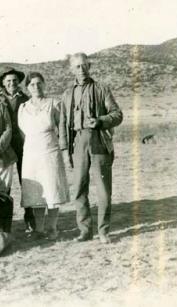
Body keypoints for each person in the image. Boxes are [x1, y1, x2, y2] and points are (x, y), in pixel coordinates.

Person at [59, 53, 123, 244]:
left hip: (98, 141)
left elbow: (117, 114)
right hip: (77, 142)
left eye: (84, 65)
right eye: (77, 66)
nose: (81, 69)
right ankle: (85, 230)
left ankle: (103, 231)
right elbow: (62, 123)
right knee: (79, 188)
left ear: (90, 66)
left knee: (103, 189)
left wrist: (101, 121)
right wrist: (65, 150)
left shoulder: (102, 89)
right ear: (71, 69)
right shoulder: (67, 94)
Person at [18, 72, 69, 240]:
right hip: (31, 154)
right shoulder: (23, 107)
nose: (36, 87)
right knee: (36, 193)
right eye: (32, 84)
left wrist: (64, 149)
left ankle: (52, 228)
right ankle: (39, 229)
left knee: (52, 190)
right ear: (27, 87)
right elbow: (22, 132)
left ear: (44, 84)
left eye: (39, 83)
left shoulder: (54, 103)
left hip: (50, 152)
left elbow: (62, 127)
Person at [0, 66, 34, 232]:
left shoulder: (26, 99)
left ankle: (30, 219)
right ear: (3, 82)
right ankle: (3, 223)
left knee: (27, 183)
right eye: (8, 81)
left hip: (23, 146)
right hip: (4, 147)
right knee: (4, 186)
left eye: (15, 81)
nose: (11, 83)